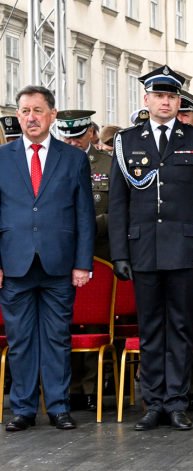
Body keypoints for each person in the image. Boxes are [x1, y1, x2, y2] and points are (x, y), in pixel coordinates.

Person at [108, 65, 193, 432]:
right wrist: (119, 253)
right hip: (142, 249)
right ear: (147, 99)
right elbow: (117, 202)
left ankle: (177, 402)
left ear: (178, 102)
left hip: (185, 248)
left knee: (180, 327)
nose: (165, 101)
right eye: (159, 95)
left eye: (171, 96)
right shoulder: (127, 140)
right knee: (150, 328)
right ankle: (153, 401)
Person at [0, 86, 94, 431]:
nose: (30, 117)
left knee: (56, 338)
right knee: (20, 340)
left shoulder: (73, 158)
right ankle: (23, 409)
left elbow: (84, 214)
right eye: (24, 111)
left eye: (38, 111)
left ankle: (58, 406)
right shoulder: (1, 157)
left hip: (59, 264)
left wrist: (83, 262)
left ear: (52, 115)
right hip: (14, 264)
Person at [58, 111, 112, 412]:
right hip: (62, 254)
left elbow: (120, 209)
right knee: (65, 322)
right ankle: (70, 387)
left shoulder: (108, 164)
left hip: (99, 254)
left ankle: (91, 388)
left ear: (91, 133)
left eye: (78, 136)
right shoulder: (53, 160)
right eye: (67, 137)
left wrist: (89, 226)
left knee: (93, 319)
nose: (73, 142)